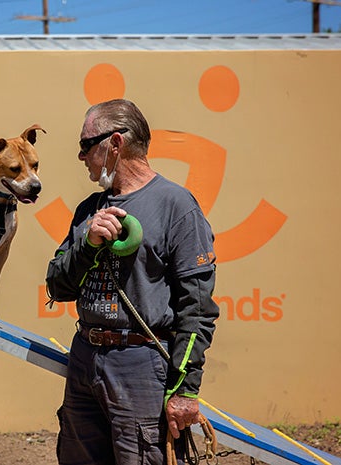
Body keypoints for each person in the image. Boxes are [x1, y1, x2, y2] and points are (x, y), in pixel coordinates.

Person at [46, 99, 219, 465]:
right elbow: (57, 287)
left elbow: (198, 308)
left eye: (85, 145)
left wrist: (185, 391)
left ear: (115, 144)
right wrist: (87, 244)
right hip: (84, 357)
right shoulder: (88, 210)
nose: (80, 157)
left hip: (140, 366)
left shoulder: (176, 206)